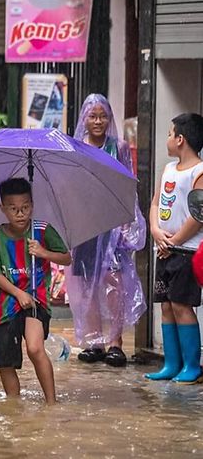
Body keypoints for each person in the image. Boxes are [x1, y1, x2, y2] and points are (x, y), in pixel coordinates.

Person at [65, 93, 147, 367]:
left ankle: (116, 343)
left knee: (114, 284)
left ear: (109, 118)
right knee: (88, 283)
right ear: (84, 119)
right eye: (92, 116)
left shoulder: (119, 147)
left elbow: (127, 187)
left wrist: (126, 222)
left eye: (103, 116)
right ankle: (94, 342)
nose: (98, 121)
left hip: (112, 228)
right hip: (86, 226)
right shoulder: (76, 148)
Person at [0, 178, 71, 404]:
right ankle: (14, 405)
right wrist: (17, 293)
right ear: (3, 209)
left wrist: (43, 253)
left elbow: (66, 258)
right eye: (13, 209)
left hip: (36, 300)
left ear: (32, 205)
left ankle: (51, 402)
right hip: (7, 305)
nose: (20, 214)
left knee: (34, 348)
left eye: (25, 208)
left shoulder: (42, 231)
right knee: (5, 360)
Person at [145, 113, 203, 384]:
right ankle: (171, 363)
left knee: (182, 305)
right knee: (166, 306)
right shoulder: (168, 169)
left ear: (181, 139)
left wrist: (175, 240)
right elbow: (156, 204)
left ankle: (192, 366)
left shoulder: (199, 172)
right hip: (164, 249)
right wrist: (156, 231)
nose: (167, 139)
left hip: (186, 251)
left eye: (170, 134)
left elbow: (199, 214)